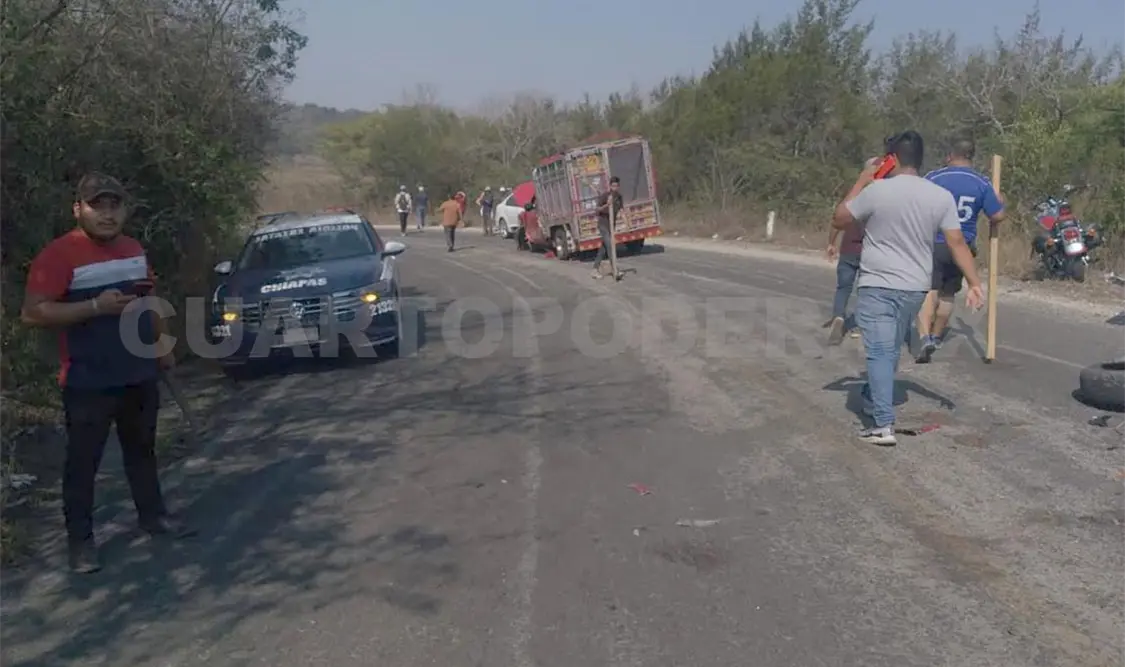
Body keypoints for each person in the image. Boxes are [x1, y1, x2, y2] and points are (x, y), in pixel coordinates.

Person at [20, 173, 195, 574]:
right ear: (77, 209)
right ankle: (81, 544)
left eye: (114, 205)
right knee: (84, 464)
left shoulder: (133, 249)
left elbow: (149, 299)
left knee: (142, 451)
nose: (107, 214)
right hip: (88, 380)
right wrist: (95, 306)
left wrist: (163, 345)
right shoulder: (59, 255)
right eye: (97, 205)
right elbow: (32, 313)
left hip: (138, 372)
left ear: (125, 210)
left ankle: (154, 517)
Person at [832, 132, 983, 445]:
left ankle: (882, 424)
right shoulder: (939, 196)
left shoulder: (877, 190)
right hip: (915, 288)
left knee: (879, 352)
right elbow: (956, 241)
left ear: (892, 159)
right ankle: (873, 396)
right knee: (889, 349)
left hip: (878, 283)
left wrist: (862, 180)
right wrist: (974, 282)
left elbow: (840, 219)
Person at [914, 138, 1006, 363]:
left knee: (929, 291)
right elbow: (997, 216)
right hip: (962, 248)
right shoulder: (981, 183)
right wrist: (1000, 199)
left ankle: (924, 337)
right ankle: (936, 336)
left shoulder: (934, 177)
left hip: (934, 242)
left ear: (950, 155)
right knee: (947, 294)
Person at [591, 176, 624, 279]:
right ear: (610, 186)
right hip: (603, 224)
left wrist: (627, 222)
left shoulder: (619, 197)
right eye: (613, 186)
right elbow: (597, 209)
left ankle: (595, 269)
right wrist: (607, 205)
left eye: (616, 186)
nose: (615, 188)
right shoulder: (605, 196)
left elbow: (621, 210)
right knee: (610, 245)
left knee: (604, 248)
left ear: (618, 186)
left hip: (611, 226)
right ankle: (615, 269)